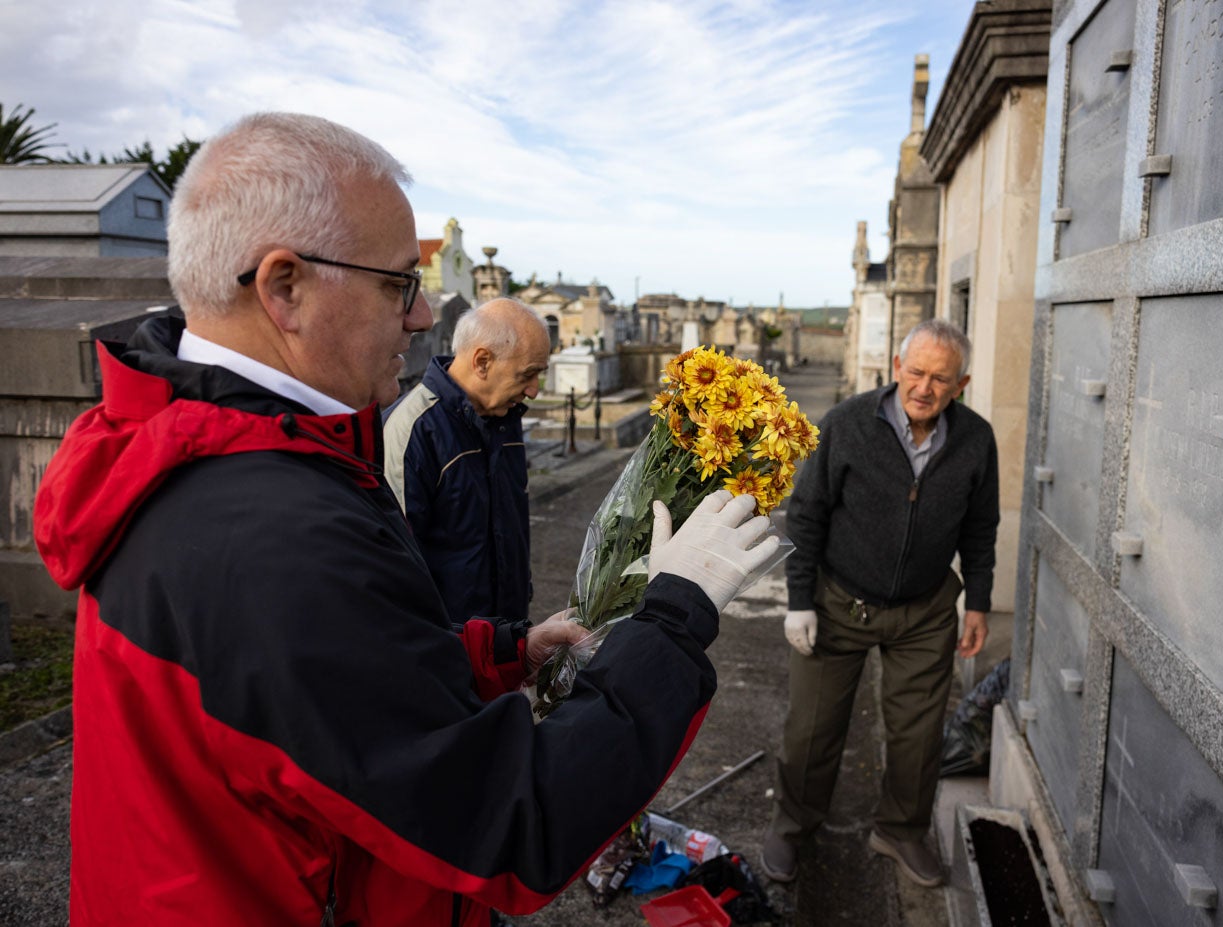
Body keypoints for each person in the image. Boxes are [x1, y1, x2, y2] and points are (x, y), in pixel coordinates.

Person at [32, 111, 780, 927]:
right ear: (285, 286)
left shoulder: (215, 457)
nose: (424, 318)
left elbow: (330, 683)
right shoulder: (275, 534)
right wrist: (676, 613)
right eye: (398, 283)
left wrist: (498, 653)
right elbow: (511, 821)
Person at [761, 318, 999, 887]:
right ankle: (793, 827)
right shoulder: (847, 422)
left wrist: (979, 604)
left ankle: (901, 830)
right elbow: (807, 514)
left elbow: (981, 527)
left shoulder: (975, 438)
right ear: (897, 369)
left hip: (924, 611)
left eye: (941, 379)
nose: (925, 387)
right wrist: (800, 601)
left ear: (960, 385)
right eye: (916, 371)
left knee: (918, 736)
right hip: (839, 599)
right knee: (812, 729)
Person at [384, 297, 550, 632]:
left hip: (506, 639)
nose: (533, 391)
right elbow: (394, 577)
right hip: (448, 654)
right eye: (527, 374)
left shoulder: (503, 418)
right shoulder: (413, 431)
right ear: (483, 362)